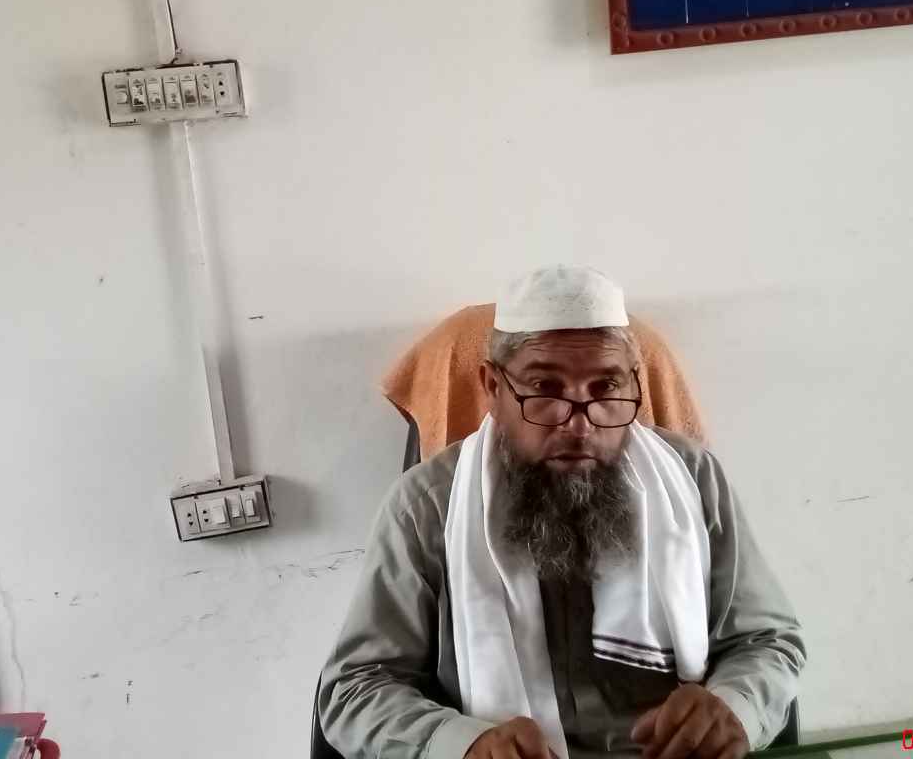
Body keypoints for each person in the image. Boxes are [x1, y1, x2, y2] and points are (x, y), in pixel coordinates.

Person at [319, 266, 805, 759]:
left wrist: (734, 706)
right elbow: (356, 690)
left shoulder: (692, 478)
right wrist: (465, 745)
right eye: (546, 390)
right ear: (492, 386)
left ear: (634, 383)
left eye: (605, 388)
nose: (579, 425)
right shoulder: (425, 506)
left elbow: (766, 640)